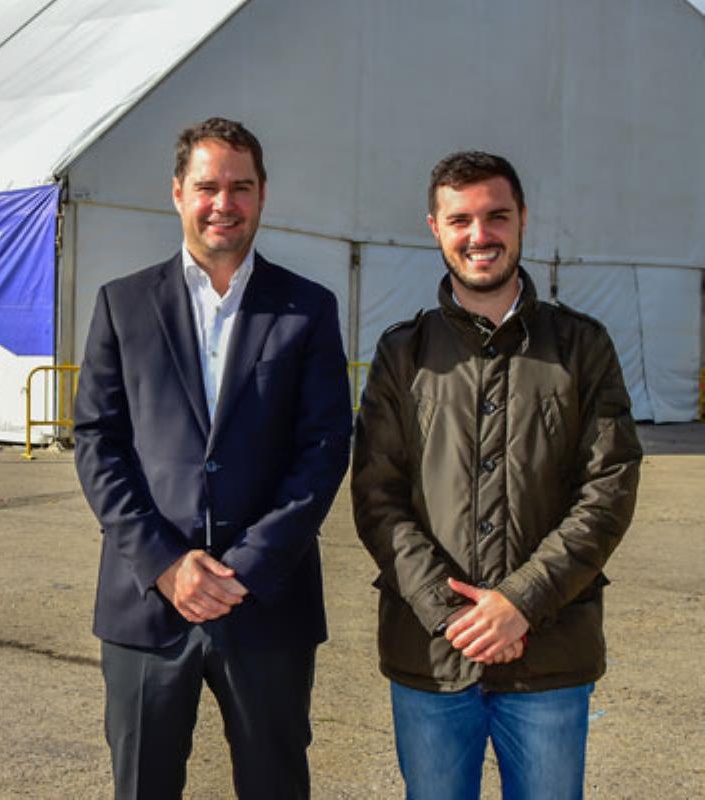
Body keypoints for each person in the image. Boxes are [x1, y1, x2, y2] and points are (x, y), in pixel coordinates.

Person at [73, 117, 352, 799]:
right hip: (147, 604)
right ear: (178, 193)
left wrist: (246, 568)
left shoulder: (308, 309)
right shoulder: (123, 304)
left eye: (241, 187)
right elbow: (98, 441)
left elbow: (323, 448)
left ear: (262, 195)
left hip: (267, 605)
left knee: (275, 785)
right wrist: (166, 563)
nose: (223, 203)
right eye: (207, 187)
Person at [351, 150, 643, 799]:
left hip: (550, 655)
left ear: (522, 220)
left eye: (496, 216)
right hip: (430, 655)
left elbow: (608, 489)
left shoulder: (582, 346)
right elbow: (376, 497)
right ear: (435, 227)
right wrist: (453, 615)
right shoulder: (403, 354)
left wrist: (521, 603)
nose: (479, 235)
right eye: (461, 220)